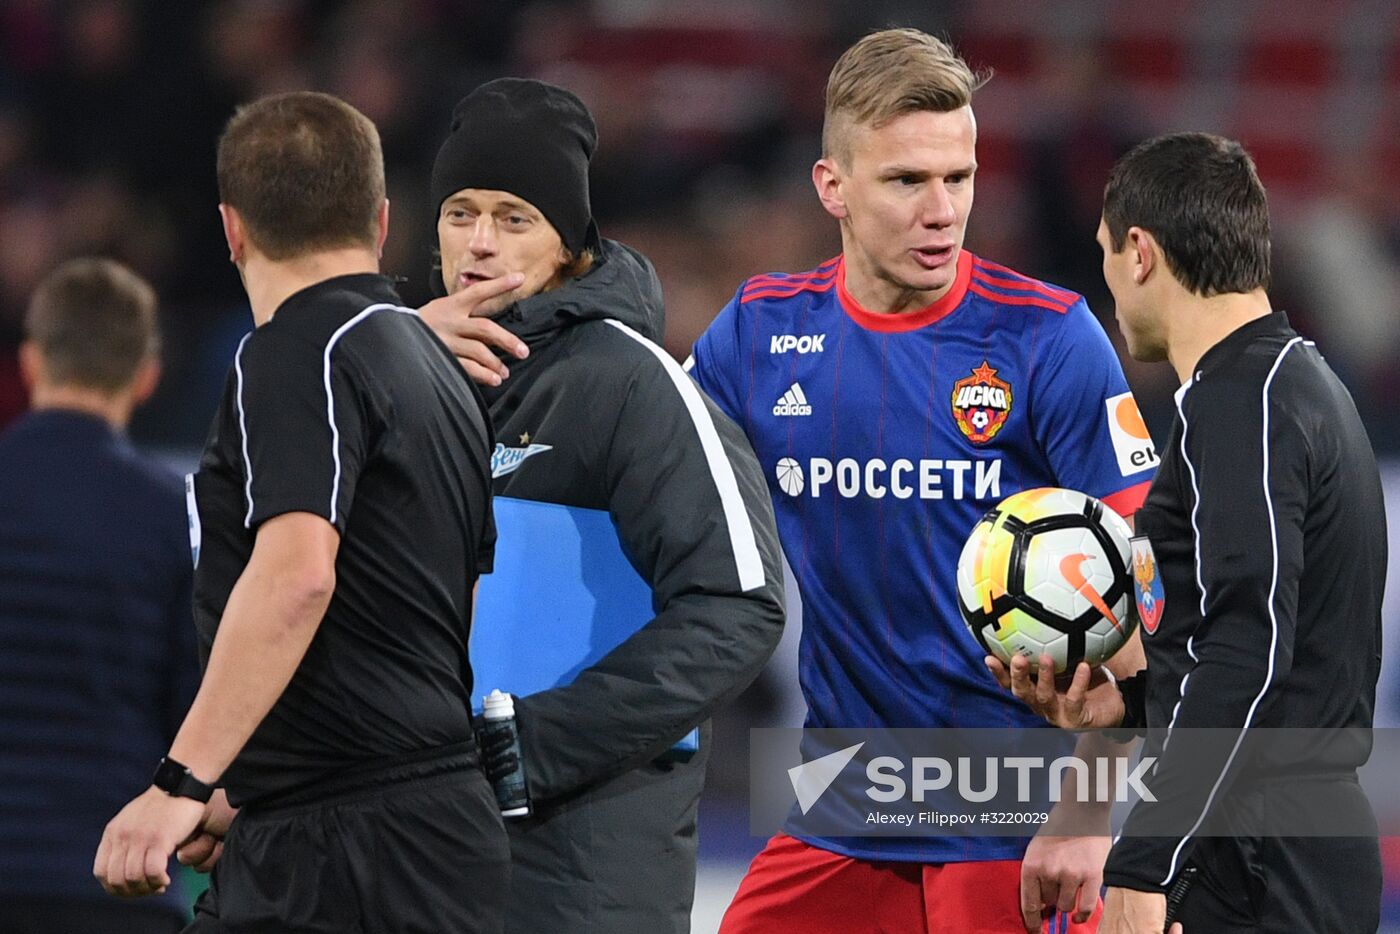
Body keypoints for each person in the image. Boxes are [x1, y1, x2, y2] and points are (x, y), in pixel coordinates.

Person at [685, 28, 1159, 933]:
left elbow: (1143, 579)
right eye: (908, 180)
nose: (942, 210)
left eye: (960, 177)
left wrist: (1091, 811)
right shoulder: (758, 334)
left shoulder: (1048, 340)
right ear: (834, 187)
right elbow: (650, 467)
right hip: (844, 809)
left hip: (1017, 816)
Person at [92, 91, 509, 934]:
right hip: (433, 832)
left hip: (343, 854)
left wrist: (182, 782)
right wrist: (260, 787)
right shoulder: (435, 370)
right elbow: (443, 615)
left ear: (232, 228)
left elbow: (298, 576)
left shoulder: (290, 353)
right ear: (384, 220)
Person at [417, 77, 786, 933]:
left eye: (514, 217)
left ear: (568, 241)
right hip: (423, 851)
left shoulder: (632, 384)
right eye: (460, 211)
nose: (479, 241)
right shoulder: (407, 376)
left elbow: (740, 605)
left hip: (580, 868)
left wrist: (536, 746)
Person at [992, 132, 1386, 933]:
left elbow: (1250, 647)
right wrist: (1124, 699)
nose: (1106, 280)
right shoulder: (1285, 387)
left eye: (1104, 253)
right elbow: (1247, 650)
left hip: (1255, 862)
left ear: (1140, 252)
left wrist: (1148, 859)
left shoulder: (1242, 404)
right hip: (1277, 846)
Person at [0, 258, 196, 934]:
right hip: (114, 883)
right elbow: (195, 710)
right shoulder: (173, 515)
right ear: (146, 376)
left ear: (30, 362)